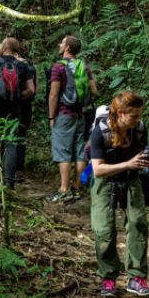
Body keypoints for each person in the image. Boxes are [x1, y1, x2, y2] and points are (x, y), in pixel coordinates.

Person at [89, 91, 149, 297]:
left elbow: (144, 156)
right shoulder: (100, 132)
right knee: (104, 231)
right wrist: (128, 163)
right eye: (133, 116)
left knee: (137, 225)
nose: (138, 120)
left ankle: (136, 277)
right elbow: (98, 169)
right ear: (119, 114)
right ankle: (108, 278)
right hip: (105, 181)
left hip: (132, 179)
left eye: (139, 115)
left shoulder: (139, 129)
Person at [0, 37, 36, 189]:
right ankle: (9, 182)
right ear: (16, 49)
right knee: (11, 142)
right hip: (14, 108)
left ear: (3, 47)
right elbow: (31, 90)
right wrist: (18, 96)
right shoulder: (23, 66)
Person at [47, 35, 97, 202]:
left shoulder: (58, 68)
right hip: (81, 114)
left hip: (64, 114)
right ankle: (77, 186)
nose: (59, 44)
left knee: (63, 150)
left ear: (67, 48)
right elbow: (94, 91)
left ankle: (64, 189)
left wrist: (51, 116)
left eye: (62, 42)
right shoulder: (84, 66)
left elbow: (54, 94)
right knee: (80, 150)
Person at [14, 43, 37, 183]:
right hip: (26, 105)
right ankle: (19, 170)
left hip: (11, 105)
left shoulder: (13, 65)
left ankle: (7, 169)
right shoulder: (31, 67)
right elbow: (35, 89)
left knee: (9, 136)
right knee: (21, 137)